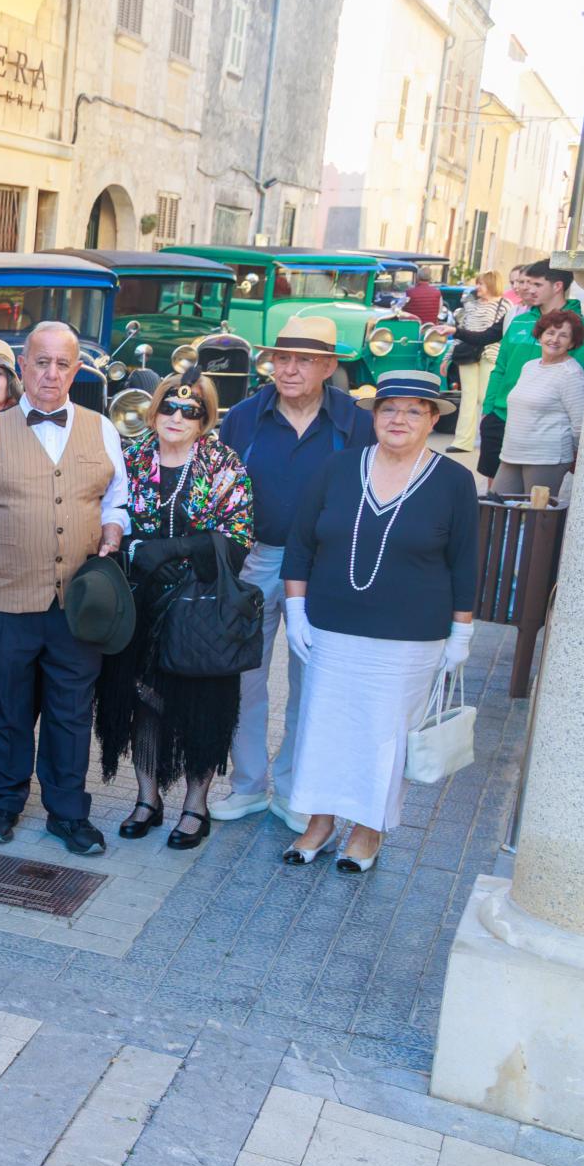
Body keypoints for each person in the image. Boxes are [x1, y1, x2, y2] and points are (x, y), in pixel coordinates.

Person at [0, 321, 128, 857]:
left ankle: (68, 814)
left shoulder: (102, 429)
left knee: (72, 711)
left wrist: (113, 530)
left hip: (79, 606)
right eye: (40, 362)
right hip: (5, 599)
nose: (50, 373)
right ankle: (2, 805)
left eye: (61, 364)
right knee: (3, 707)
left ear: (75, 370)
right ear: (23, 367)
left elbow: (115, 501)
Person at [281, 372, 478, 874]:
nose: (399, 419)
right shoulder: (338, 468)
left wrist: (462, 632)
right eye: (389, 408)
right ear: (373, 415)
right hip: (331, 628)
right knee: (324, 728)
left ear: (433, 419)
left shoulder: (454, 481)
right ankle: (320, 824)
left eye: (415, 410)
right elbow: (302, 543)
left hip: (411, 638)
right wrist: (296, 609)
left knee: (384, 736)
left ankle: (368, 831)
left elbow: (465, 561)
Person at [209, 317, 375, 831]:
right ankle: (248, 786)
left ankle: (296, 788)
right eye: (282, 358)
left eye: (304, 360)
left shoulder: (356, 421)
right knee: (243, 679)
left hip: (326, 568)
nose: (290, 368)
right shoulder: (244, 416)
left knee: (314, 685)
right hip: (256, 558)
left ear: (329, 366)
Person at [93, 370, 255, 850]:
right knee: (143, 703)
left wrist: (176, 550)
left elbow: (240, 536)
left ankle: (195, 806)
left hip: (201, 605)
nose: (177, 417)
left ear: (205, 418)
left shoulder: (223, 462)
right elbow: (108, 513)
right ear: (155, 409)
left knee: (200, 708)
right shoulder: (132, 456)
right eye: (169, 406)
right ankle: (147, 800)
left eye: (191, 410)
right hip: (140, 602)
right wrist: (136, 548)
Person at [479, 262, 584, 480]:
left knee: (532, 504)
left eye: (536, 284)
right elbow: (500, 368)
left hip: (542, 427)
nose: (526, 289)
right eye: (526, 283)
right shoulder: (519, 319)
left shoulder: (579, 327)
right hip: (501, 416)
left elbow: (579, 382)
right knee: (495, 495)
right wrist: (488, 410)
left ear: (557, 286)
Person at [490, 309, 584, 499]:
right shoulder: (530, 366)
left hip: (547, 457)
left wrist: (576, 458)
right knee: (498, 508)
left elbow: (579, 424)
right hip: (512, 452)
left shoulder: (571, 374)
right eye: (550, 333)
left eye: (563, 335)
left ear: (573, 342)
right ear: (540, 335)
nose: (555, 339)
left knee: (537, 519)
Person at [445, 269, 509, 454]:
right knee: (468, 397)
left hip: (491, 355)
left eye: (481, 283)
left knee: (485, 396)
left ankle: (488, 438)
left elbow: (502, 334)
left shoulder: (505, 305)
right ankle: (462, 441)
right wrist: (448, 357)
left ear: (491, 284)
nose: (477, 287)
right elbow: (460, 332)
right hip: (467, 355)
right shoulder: (470, 306)